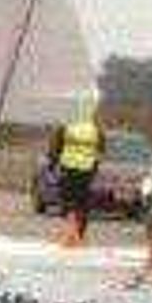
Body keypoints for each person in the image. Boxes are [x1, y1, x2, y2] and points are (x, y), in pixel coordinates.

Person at [49, 97, 104, 234]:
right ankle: (79, 231)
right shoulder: (95, 127)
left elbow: (56, 144)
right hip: (87, 169)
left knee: (67, 200)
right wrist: (95, 166)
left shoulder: (67, 125)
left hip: (68, 167)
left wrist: (53, 162)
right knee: (82, 202)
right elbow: (101, 149)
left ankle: (69, 230)